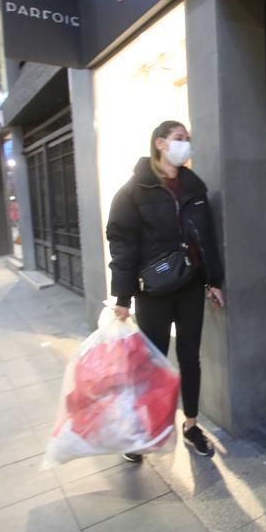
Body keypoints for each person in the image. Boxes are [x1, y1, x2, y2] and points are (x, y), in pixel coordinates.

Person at [106, 120, 225, 461]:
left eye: (188, 138)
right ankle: (145, 430)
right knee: (152, 362)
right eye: (178, 139)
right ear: (160, 144)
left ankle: (190, 426)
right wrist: (123, 297)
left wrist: (213, 281)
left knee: (190, 358)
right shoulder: (133, 191)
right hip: (153, 291)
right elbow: (122, 246)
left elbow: (207, 240)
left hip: (189, 286)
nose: (186, 144)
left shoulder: (194, 188)